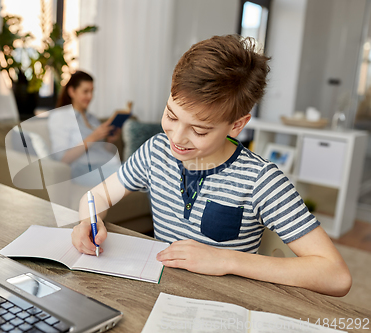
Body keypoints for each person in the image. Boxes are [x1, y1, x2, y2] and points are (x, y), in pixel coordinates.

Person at [71, 35, 352, 297]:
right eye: (171, 115)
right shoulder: (155, 151)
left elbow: (335, 275)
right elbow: (96, 196)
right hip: (160, 294)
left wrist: (226, 259)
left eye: (200, 130)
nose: (177, 138)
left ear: (237, 125)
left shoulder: (261, 180)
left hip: (224, 305)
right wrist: (88, 222)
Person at [48, 71, 122, 186]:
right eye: (85, 91)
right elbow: (62, 159)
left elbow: (101, 151)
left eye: (92, 91)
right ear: (72, 91)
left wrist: (110, 140)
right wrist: (93, 137)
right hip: (84, 171)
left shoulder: (92, 118)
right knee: (139, 175)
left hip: (108, 164)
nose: (90, 96)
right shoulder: (60, 116)